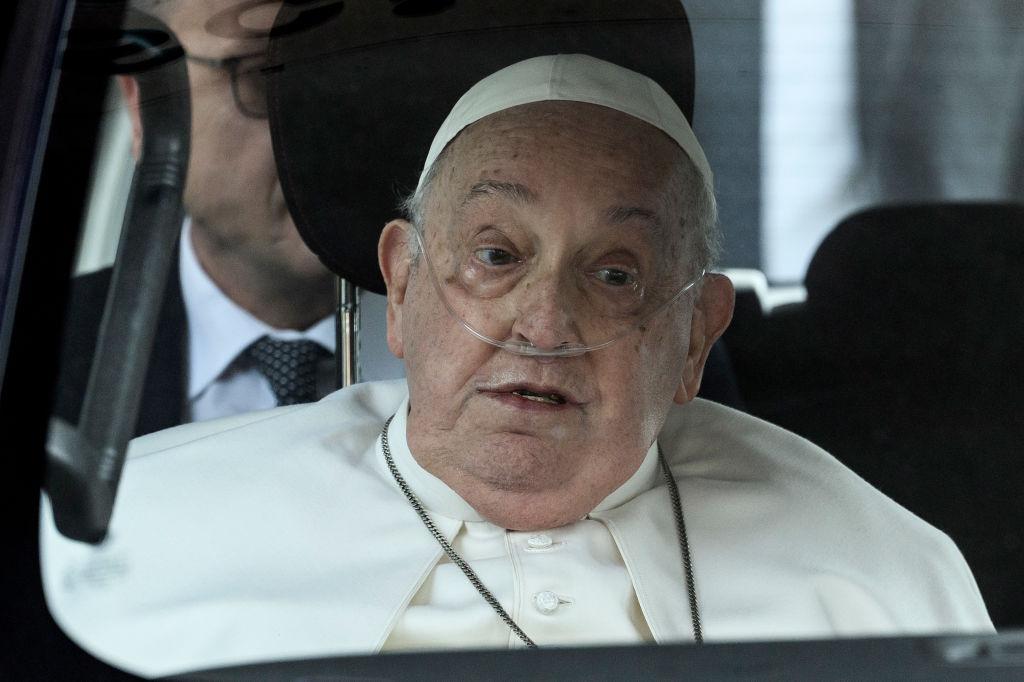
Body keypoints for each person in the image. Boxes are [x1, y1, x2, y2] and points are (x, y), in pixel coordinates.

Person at [41, 54, 992, 677]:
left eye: (615, 274)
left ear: (696, 338)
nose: (544, 323)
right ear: (402, 287)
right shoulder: (130, 534)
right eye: (496, 255)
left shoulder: (881, 576)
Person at [53, 0, 337, 436]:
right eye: (263, 74)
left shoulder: (454, 340)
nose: (321, 120)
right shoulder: (33, 348)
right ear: (144, 104)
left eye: (347, 66)